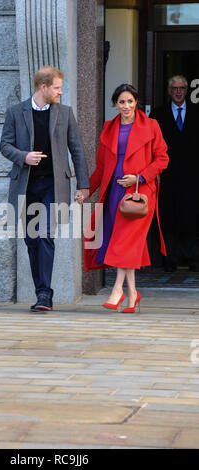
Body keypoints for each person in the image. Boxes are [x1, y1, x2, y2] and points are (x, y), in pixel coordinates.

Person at [0, 66, 90, 312]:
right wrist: (23, 156)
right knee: (31, 240)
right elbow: (4, 145)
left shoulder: (65, 113)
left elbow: (77, 150)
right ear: (44, 87)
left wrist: (83, 185)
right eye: (57, 87)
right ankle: (41, 291)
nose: (60, 92)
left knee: (45, 234)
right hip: (26, 186)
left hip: (53, 184)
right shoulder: (16, 112)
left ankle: (44, 294)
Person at [83, 84, 169, 313]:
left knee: (125, 240)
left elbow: (162, 159)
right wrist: (86, 190)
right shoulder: (108, 128)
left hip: (141, 195)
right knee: (127, 242)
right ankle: (133, 294)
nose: (126, 106)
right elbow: (101, 168)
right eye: (122, 102)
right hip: (116, 193)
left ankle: (117, 290)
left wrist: (140, 178)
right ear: (115, 104)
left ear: (137, 102)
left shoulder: (151, 126)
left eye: (130, 101)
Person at [150, 75, 199, 272]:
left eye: (182, 88)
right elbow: (151, 145)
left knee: (191, 215)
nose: (178, 92)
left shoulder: (197, 112)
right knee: (168, 216)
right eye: (174, 88)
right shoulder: (157, 114)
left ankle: (191, 257)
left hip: (192, 174)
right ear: (169, 91)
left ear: (187, 91)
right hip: (165, 174)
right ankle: (170, 258)